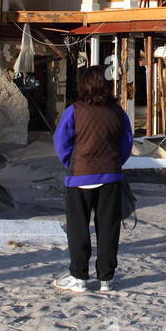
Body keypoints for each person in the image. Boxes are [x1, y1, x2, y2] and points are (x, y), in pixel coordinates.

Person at [52, 65, 133, 293]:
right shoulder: (118, 112)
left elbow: (61, 143)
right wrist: (115, 164)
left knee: (79, 229)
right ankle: (106, 279)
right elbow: (126, 144)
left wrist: (72, 164)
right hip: (111, 176)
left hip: (80, 177)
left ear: (83, 85)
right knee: (108, 228)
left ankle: (79, 276)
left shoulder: (74, 110)